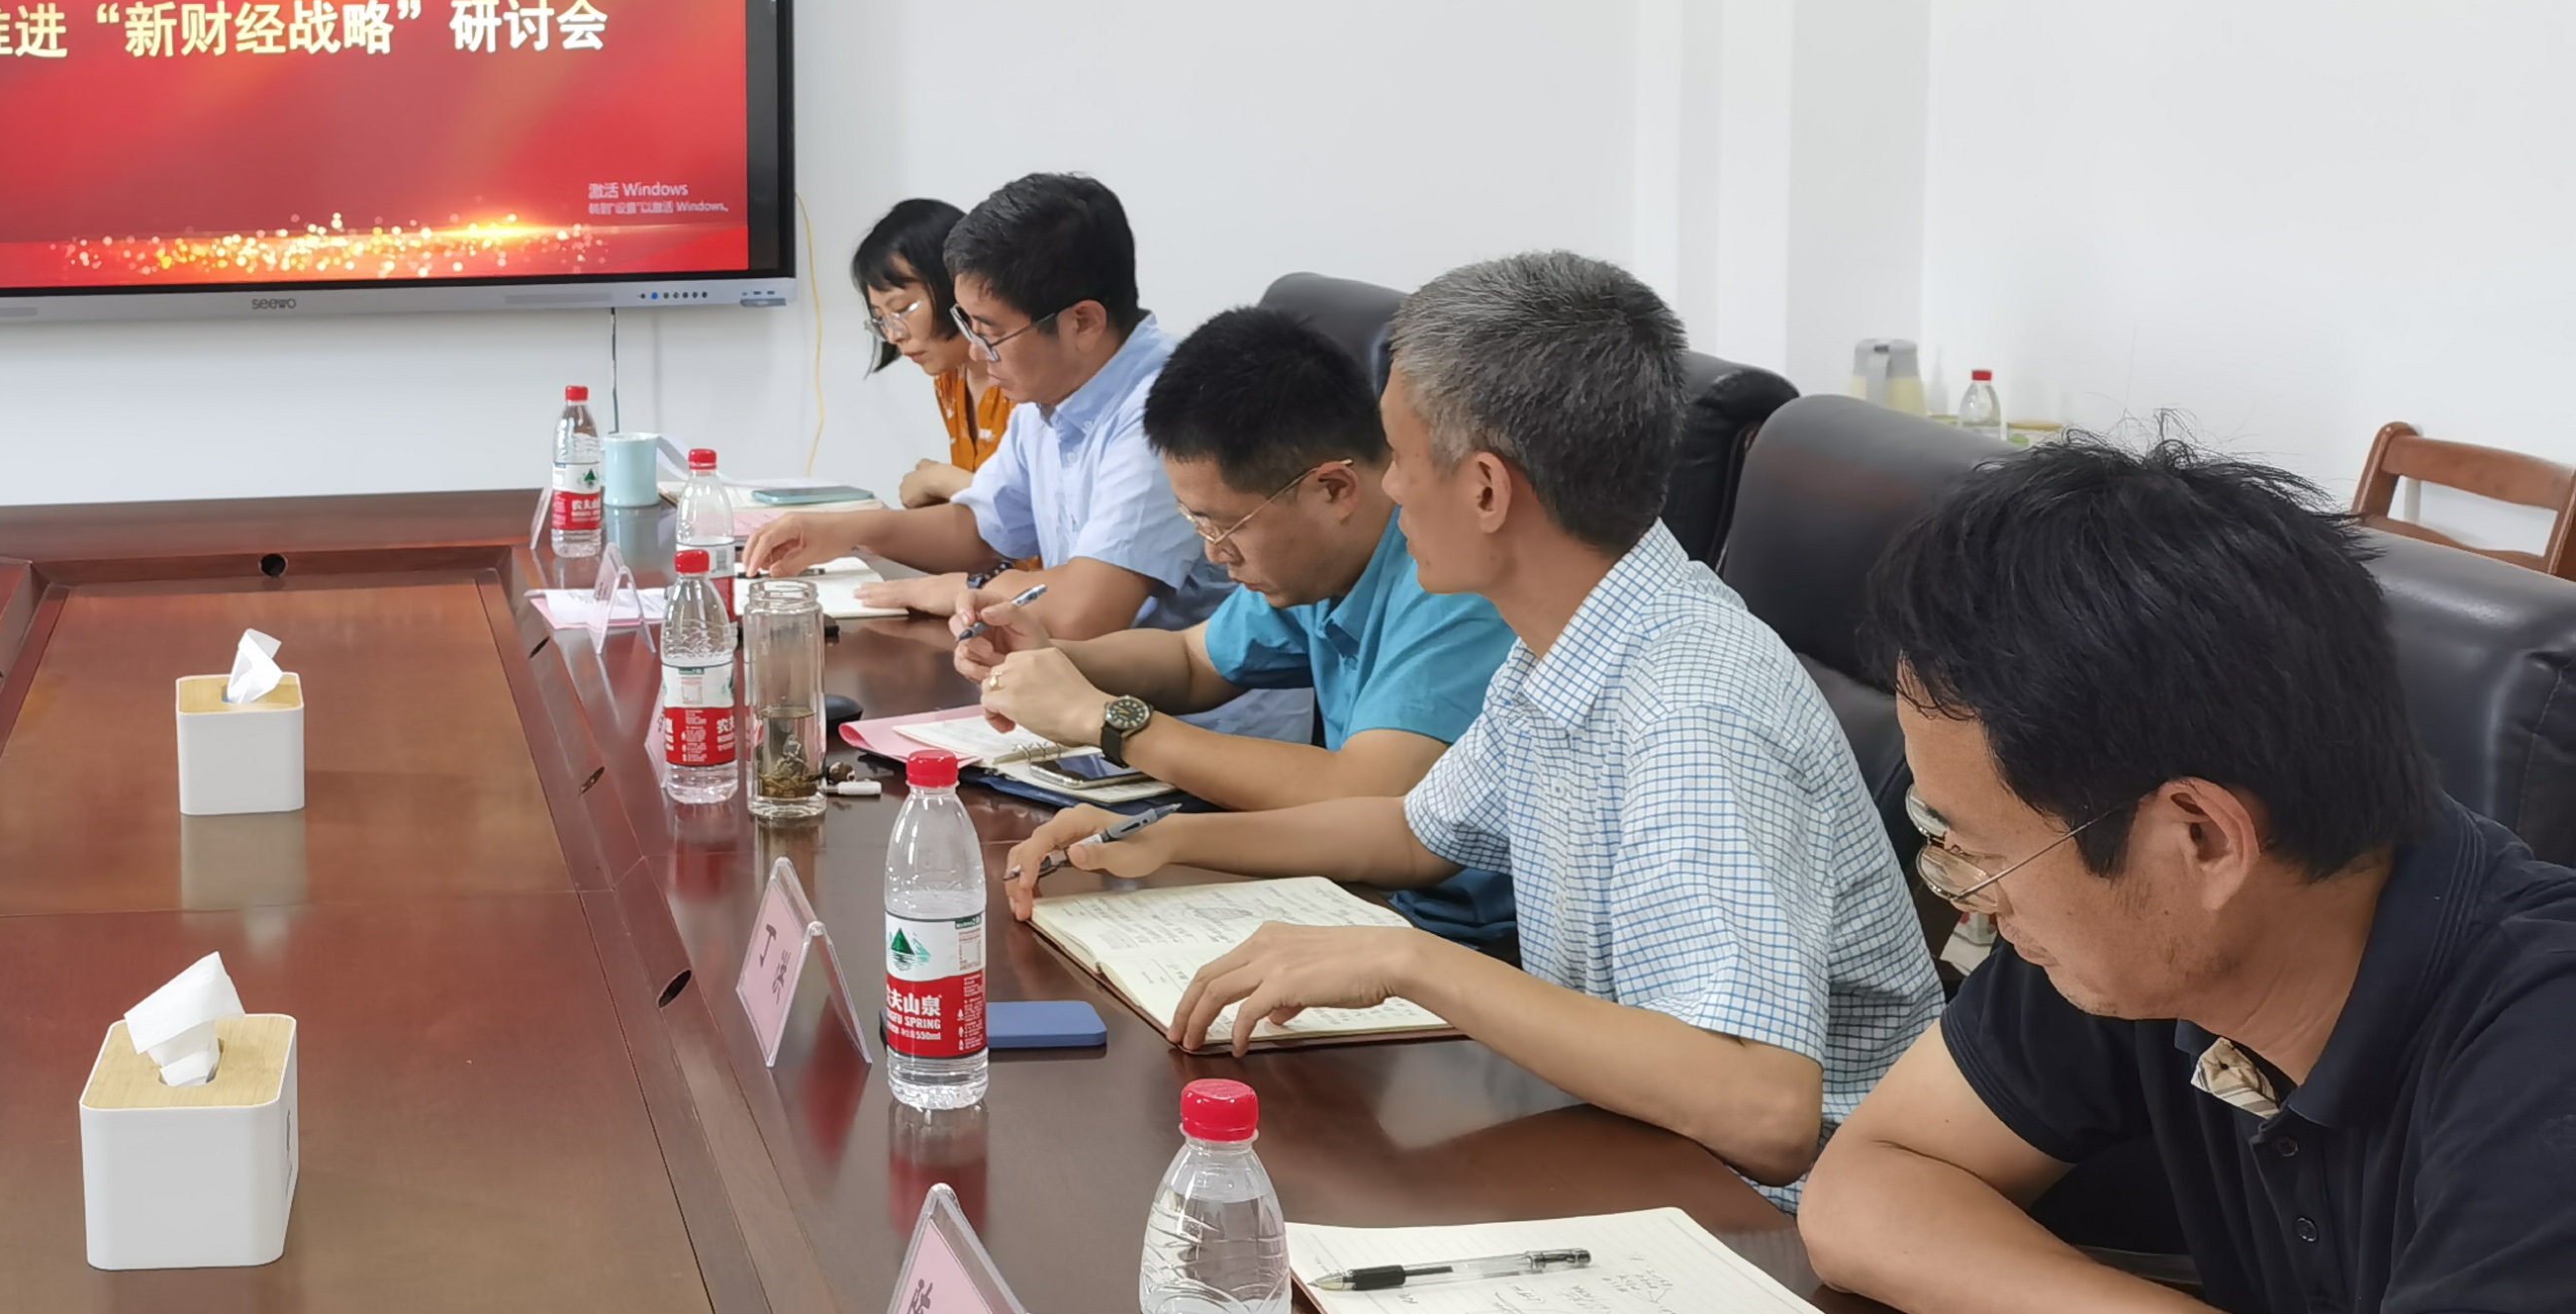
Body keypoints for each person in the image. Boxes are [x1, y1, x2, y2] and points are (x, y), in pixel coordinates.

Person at [1801, 441, 2576, 1314]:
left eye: (1977, 847)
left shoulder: (2541, 1055)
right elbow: (1865, 1191)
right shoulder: (2151, 945)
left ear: (2202, 839)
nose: (1969, 897)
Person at [1058, 251, 1933, 1199]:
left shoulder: (1694, 712)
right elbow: (1415, 830)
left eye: (1398, 457)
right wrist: (1169, 838)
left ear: (1485, 489)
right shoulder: (1568, 634)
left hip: (1762, 1217)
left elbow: (1761, 1111)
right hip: (1622, 1140)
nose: (1389, 489)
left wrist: (1406, 960)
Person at [965, 305, 1520, 955]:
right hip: (1356, 891)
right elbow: (1193, 660)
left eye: (1224, 525)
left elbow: (1372, 797)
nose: (1212, 552)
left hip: (1463, 936)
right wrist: (1055, 660)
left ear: (1333, 489)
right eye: (1195, 522)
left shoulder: (1451, 578)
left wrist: (1108, 721)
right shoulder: (1318, 560)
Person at [747, 171, 1221, 641]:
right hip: (1081, 670)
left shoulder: (1165, 407)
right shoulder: (1050, 391)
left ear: (1082, 322)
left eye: (990, 332)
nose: (975, 352)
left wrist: (963, 590)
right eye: (968, 326)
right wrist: (846, 531)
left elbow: (1084, 611)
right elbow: (983, 529)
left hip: (1182, 690)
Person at [852, 196, 1017, 509]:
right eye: (881, 319)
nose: (893, 335)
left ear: (955, 284)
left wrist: (940, 479)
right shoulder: (950, 379)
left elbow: (1031, 508)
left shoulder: (1027, 375)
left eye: (901, 309)